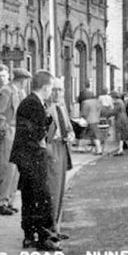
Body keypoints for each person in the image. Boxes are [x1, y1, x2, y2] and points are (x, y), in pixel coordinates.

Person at [10, 69, 61, 251]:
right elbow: (37, 134)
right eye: (51, 88)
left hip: (26, 156)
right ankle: (45, 237)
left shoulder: (30, 102)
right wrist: (47, 120)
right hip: (31, 156)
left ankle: (30, 236)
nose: (51, 91)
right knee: (41, 196)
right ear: (46, 87)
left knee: (30, 197)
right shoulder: (34, 104)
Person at [0, 65, 22, 215]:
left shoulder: (18, 92)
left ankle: (8, 200)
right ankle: (1, 202)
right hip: (8, 132)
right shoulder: (6, 92)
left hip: (17, 132)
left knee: (15, 169)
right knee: (7, 167)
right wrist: (5, 130)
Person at [45, 81, 74, 237]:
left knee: (61, 188)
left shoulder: (62, 108)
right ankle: (50, 228)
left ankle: (56, 226)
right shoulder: (47, 109)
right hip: (52, 149)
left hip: (63, 149)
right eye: (54, 90)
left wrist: (70, 135)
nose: (57, 93)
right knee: (53, 189)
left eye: (60, 90)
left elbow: (69, 128)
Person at [79, 91, 103, 155]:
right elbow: (100, 109)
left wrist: (83, 118)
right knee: (94, 134)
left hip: (89, 120)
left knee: (93, 135)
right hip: (96, 119)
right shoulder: (97, 101)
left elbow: (84, 113)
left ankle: (98, 150)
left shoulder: (85, 102)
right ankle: (97, 148)